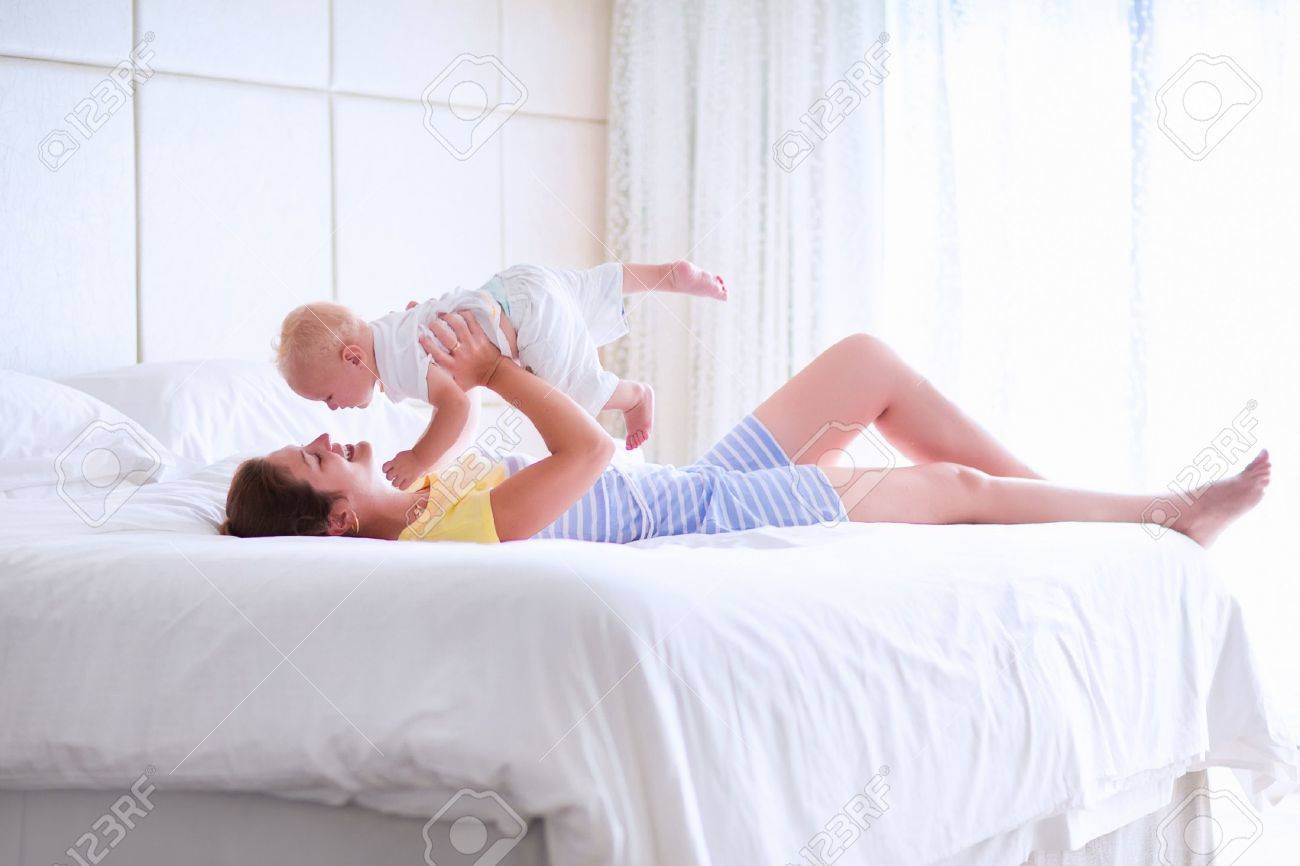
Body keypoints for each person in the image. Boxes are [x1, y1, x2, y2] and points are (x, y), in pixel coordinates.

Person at [223, 312, 1269, 548]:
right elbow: (585, 454)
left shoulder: (409, 485)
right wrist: (500, 373)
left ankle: (1066, 510)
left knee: (866, 363)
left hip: (689, 483)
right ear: (333, 522)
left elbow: (437, 418)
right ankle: (1164, 516)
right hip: (708, 517)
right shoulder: (431, 539)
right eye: (315, 458)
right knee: (949, 485)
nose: (331, 439)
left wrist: (455, 362)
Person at [274, 260, 726, 489]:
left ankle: (632, 397)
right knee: (587, 291)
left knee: (569, 394)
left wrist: (419, 458)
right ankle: (666, 274)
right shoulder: (390, 327)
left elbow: (454, 407)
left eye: (328, 396)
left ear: (353, 359)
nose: (333, 409)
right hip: (516, 285)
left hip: (527, 320)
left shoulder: (399, 364)